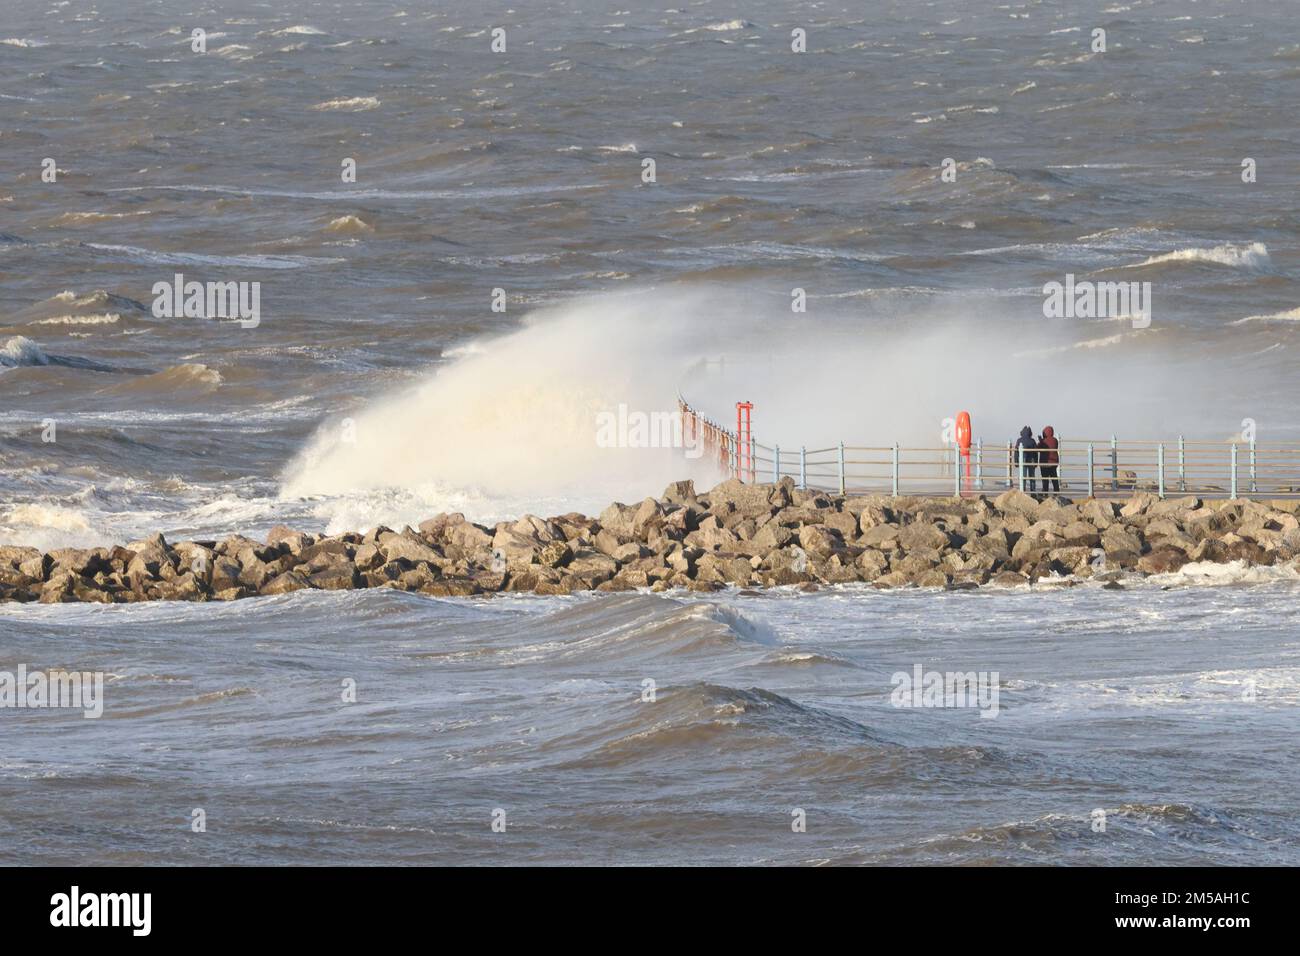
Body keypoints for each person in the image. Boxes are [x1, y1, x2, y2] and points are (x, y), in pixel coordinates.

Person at [1014, 425, 1039, 493]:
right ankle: (1033, 492)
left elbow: (1016, 452)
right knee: (1032, 477)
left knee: (1023, 477)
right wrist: (1036, 462)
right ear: (1030, 433)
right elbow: (1035, 453)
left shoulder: (1019, 440)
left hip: (1023, 460)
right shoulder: (1032, 441)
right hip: (1031, 460)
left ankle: (1022, 491)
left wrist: (1016, 462)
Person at [1038, 425, 1060, 496]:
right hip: (1054, 462)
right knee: (1054, 478)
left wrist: (1041, 441)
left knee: (1045, 479)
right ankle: (1056, 492)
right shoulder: (1055, 440)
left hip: (1045, 463)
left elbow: (1038, 448)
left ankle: (1045, 492)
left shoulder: (1043, 441)